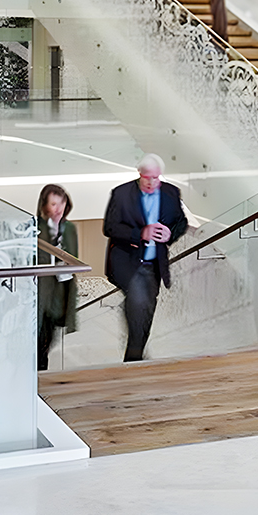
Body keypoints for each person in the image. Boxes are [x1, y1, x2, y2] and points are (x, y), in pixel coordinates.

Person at [103, 154, 187, 362]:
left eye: (156, 178)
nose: (151, 182)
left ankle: (136, 348)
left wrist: (170, 234)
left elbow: (181, 222)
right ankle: (133, 357)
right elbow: (110, 227)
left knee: (147, 307)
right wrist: (140, 233)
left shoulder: (171, 193)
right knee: (140, 301)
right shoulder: (121, 193)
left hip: (153, 264)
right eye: (147, 177)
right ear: (139, 174)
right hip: (127, 260)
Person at [35, 184, 79, 371]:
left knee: (50, 333)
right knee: (39, 334)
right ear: (44, 205)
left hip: (61, 289)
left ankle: (41, 367)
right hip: (40, 289)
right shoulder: (35, 227)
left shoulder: (69, 228)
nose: (58, 208)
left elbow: (75, 257)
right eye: (53, 204)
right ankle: (37, 371)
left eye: (61, 203)